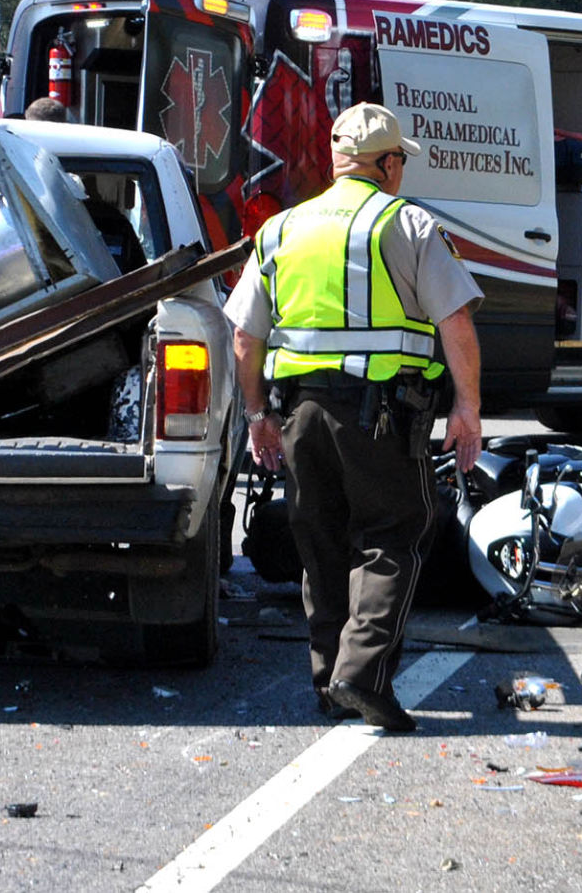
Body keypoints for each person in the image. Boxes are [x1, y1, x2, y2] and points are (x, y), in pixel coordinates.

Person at [226, 103, 483, 732]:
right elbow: (456, 322)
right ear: (389, 163)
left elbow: (243, 338)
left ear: (340, 160)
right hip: (380, 414)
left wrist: (257, 415)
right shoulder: (409, 223)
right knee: (393, 537)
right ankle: (361, 677)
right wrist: (467, 408)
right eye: (401, 162)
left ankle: (327, 683)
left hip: (299, 415)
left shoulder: (282, 228)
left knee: (321, 544)